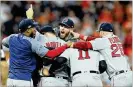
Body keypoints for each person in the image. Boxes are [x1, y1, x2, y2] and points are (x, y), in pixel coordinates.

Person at [2, 18, 72, 87]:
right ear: (28, 30)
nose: (35, 30)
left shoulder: (11, 37)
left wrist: (17, 46)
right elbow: (51, 54)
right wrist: (65, 46)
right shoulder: (32, 43)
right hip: (24, 80)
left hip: (11, 80)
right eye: (33, 28)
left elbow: (3, 42)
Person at [71, 22, 132, 87]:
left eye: (99, 32)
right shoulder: (116, 38)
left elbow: (86, 45)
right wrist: (80, 36)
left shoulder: (103, 41)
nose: (99, 34)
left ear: (102, 32)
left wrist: (71, 44)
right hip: (129, 75)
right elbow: (98, 40)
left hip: (118, 79)